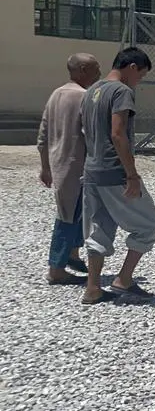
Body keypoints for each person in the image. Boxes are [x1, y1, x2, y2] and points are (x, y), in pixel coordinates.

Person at [79, 47, 155, 305]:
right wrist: (132, 175)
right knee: (149, 225)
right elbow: (118, 134)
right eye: (141, 76)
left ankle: (93, 288)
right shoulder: (121, 92)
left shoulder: (92, 90)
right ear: (133, 67)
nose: (139, 82)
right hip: (115, 172)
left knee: (98, 230)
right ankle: (124, 279)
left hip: (92, 170)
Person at [37, 53, 101, 285]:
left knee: (76, 213)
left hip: (58, 164)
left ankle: (72, 254)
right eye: (95, 68)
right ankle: (56, 268)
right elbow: (92, 134)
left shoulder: (56, 94)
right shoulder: (85, 97)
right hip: (78, 166)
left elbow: (43, 134)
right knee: (67, 217)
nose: (99, 73)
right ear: (83, 69)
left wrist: (45, 168)